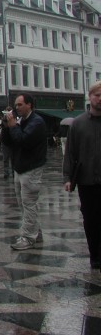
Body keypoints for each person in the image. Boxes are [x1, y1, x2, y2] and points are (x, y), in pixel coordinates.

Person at [0, 93, 47, 250]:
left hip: (31, 168)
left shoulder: (36, 122)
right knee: (23, 203)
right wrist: (6, 127)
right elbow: (8, 142)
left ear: (29, 105)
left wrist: (13, 126)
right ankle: (35, 232)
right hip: (19, 168)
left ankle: (28, 237)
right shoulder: (21, 121)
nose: (17, 108)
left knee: (29, 203)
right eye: (16, 105)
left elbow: (23, 141)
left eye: (20, 104)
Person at [63, 81, 101, 270]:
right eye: (97, 95)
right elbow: (70, 152)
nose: (100, 99)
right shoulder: (78, 124)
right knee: (91, 219)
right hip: (87, 180)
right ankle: (95, 255)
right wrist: (68, 178)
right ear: (90, 97)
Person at [0, 106, 13, 178]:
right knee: (5, 158)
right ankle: (6, 173)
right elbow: (1, 130)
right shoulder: (3, 119)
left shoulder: (13, 119)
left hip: (11, 141)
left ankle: (13, 172)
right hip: (5, 140)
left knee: (12, 158)